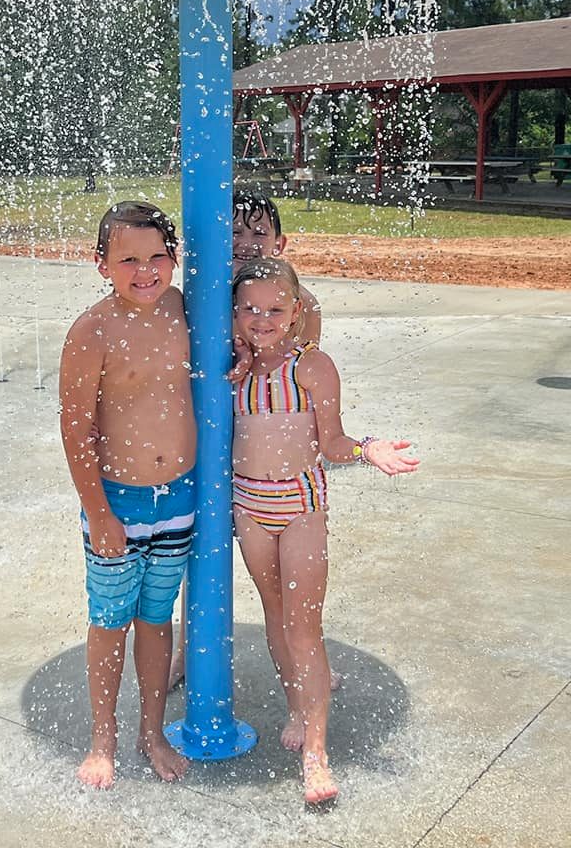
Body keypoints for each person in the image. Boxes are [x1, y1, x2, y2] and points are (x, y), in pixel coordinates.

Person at [231, 257, 419, 806]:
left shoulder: (313, 367)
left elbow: (332, 444)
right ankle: (296, 705)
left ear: (294, 312)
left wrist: (367, 450)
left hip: (300, 507)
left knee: (303, 625)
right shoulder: (231, 368)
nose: (262, 319)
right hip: (249, 504)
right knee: (274, 613)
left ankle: (316, 754)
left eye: (274, 309)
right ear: (235, 316)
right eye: (249, 310)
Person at [59, 201, 196, 790]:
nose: (146, 271)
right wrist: (98, 512)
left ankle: (152, 731)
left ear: (175, 259)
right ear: (101, 265)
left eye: (158, 257)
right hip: (119, 503)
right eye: (129, 260)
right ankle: (103, 737)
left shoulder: (185, 310)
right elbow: (75, 428)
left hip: (181, 499)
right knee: (111, 622)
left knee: (156, 619)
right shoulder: (93, 330)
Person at [166, 189, 324, 692]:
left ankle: (307, 657)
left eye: (259, 232)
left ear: (280, 242)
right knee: (202, 553)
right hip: (210, 449)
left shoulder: (293, 302)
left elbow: (298, 363)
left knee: (286, 579)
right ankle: (189, 655)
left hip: (264, 454)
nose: (248, 241)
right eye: (236, 231)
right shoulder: (203, 294)